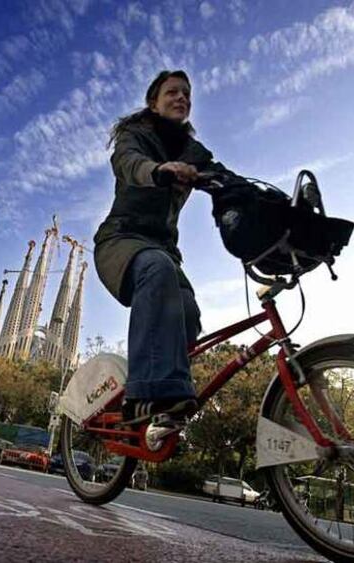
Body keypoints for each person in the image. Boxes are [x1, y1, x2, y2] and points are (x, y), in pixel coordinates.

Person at [94, 70, 247, 423]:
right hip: (121, 240)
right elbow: (128, 163)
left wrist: (267, 200)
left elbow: (229, 178)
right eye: (173, 92)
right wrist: (158, 169)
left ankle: (163, 405)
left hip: (163, 250)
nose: (182, 98)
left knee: (188, 312)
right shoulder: (136, 136)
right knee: (156, 268)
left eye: (187, 95)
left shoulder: (193, 152)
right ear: (154, 102)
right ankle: (144, 396)